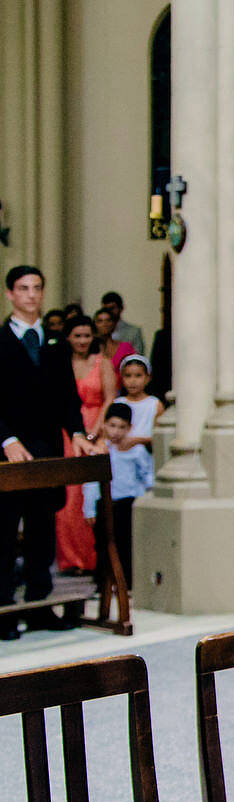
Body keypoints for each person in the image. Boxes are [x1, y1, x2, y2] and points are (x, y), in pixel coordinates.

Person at [1, 266, 99, 640]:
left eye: (37, 288)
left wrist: (77, 432)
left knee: (43, 526)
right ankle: (4, 611)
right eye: (23, 288)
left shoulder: (55, 344)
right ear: (10, 294)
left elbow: (67, 398)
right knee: (5, 532)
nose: (31, 295)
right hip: (7, 449)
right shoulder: (1, 340)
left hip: (46, 448)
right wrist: (7, 439)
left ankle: (41, 607)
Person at [55, 315, 116, 575]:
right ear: (68, 337)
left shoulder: (101, 363)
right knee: (68, 499)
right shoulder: (61, 363)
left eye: (87, 336)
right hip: (68, 432)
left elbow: (110, 397)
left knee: (92, 495)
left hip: (97, 426)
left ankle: (94, 559)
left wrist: (96, 428)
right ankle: (71, 560)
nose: (82, 341)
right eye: (77, 336)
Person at [82, 402, 153, 586]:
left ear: (129, 428)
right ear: (104, 425)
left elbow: (147, 477)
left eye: (122, 427)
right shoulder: (98, 452)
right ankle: (103, 582)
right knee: (102, 544)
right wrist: (89, 509)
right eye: (112, 426)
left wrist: (146, 499)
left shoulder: (135, 451)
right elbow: (90, 483)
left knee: (125, 543)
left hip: (127, 503)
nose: (116, 432)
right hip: (104, 503)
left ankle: (126, 581)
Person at [116, 355, 163, 455]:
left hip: (146, 455)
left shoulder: (154, 404)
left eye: (138, 375)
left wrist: (137, 441)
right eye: (128, 376)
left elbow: (158, 438)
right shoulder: (118, 403)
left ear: (148, 378)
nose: (133, 381)